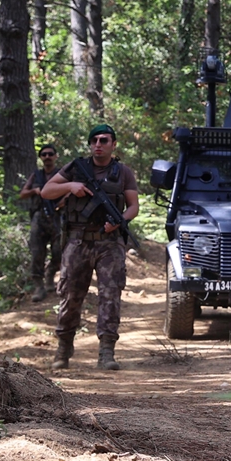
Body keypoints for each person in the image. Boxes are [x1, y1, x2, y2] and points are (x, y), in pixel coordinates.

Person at [41, 124, 139, 371]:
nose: (98, 144)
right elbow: (46, 191)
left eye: (104, 140)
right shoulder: (76, 168)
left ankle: (106, 352)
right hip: (78, 241)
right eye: (94, 140)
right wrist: (69, 186)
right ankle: (64, 348)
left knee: (110, 295)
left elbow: (133, 206)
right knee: (70, 295)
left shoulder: (123, 172)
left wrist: (119, 221)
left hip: (110, 243)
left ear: (113, 144)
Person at [19, 144, 64, 302]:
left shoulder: (61, 174)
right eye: (44, 154)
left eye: (50, 154)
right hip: (39, 217)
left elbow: (71, 191)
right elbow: (23, 194)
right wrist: (34, 191)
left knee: (59, 251)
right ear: (40, 158)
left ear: (55, 156)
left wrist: (62, 201)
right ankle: (39, 286)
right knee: (37, 252)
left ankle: (50, 273)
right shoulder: (36, 175)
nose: (47, 157)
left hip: (57, 216)